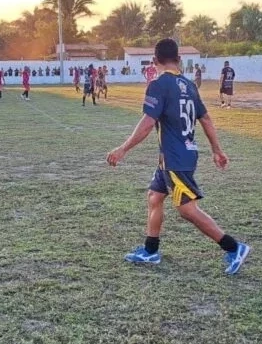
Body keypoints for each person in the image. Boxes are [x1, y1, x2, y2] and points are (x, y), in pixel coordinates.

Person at [107, 39, 250, 274]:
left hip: (176, 159)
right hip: (175, 156)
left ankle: (234, 247)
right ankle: (150, 251)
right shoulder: (190, 85)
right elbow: (205, 119)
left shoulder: (159, 84)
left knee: (186, 210)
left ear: (154, 61)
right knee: (155, 197)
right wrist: (217, 150)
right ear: (179, 60)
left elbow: (148, 121)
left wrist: (123, 149)